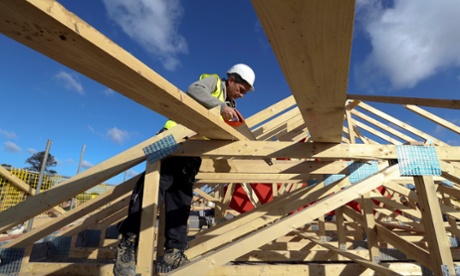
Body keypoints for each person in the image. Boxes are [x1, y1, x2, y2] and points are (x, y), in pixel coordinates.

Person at [113, 64, 256, 275]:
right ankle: (128, 244)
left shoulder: (230, 106)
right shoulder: (215, 82)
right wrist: (220, 107)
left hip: (192, 152)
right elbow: (193, 90)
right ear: (232, 79)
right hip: (171, 138)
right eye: (241, 89)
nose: (242, 95)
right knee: (151, 189)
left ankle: (173, 253)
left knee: (181, 200)